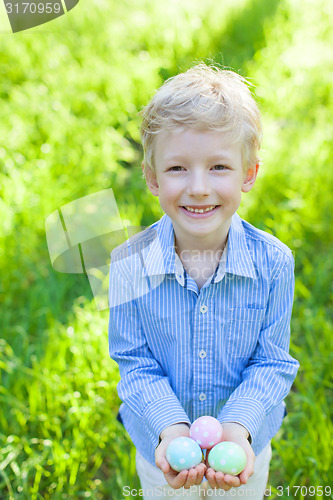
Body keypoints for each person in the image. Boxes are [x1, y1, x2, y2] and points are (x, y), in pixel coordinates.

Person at [108, 63, 299, 499]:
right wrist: (169, 429)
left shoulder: (274, 263)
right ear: (152, 177)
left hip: (243, 444)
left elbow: (272, 362)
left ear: (248, 173)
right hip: (162, 445)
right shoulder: (127, 265)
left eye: (218, 167)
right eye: (177, 169)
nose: (197, 187)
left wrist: (238, 429)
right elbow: (134, 361)